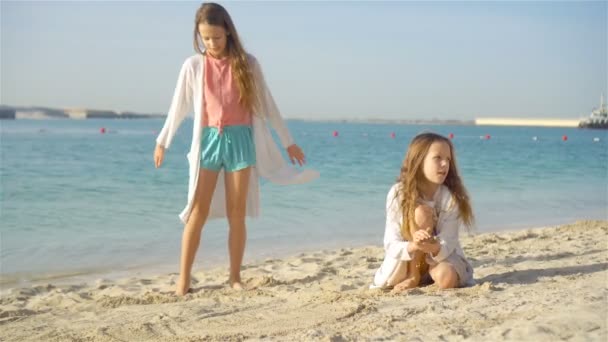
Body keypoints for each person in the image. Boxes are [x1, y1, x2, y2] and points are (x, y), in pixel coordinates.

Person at [154, 2, 318, 296]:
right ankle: (183, 281)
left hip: (242, 141)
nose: (212, 43)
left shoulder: (248, 64)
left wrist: (288, 141)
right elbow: (177, 106)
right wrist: (162, 141)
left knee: (237, 213)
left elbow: (267, 104)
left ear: (228, 31)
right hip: (208, 142)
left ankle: (234, 277)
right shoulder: (193, 65)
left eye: (216, 37)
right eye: (205, 38)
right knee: (197, 211)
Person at [370, 132, 475, 292]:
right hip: (407, 262)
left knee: (447, 279)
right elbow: (390, 242)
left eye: (448, 159)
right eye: (437, 158)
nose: (445, 164)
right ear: (419, 161)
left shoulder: (450, 197)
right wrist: (414, 245)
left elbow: (449, 239)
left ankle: (428, 276)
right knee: (422, 212)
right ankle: (413, 275)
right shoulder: (399, 193)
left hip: (438, 258)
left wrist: (432, 247)